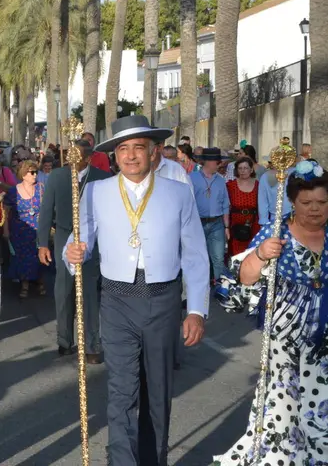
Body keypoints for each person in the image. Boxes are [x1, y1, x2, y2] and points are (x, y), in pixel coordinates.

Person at [64, 114, 210, 466]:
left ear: (154, 151)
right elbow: (79, 239)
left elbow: (195, 254)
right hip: (116, 301)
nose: (130, 156)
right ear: (114, 155)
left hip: (162, 300)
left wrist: (196, 310)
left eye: (138, 148)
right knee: (122, 391)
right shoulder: (96, 191)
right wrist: (73, 254)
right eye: (123, 149)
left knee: (157, 393)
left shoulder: (178, 193)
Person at [214, 159, 328, 463]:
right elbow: (242, 281)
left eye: (322, 202)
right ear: (292, 201)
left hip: (325, 346)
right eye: (306, 202)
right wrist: (261, 255)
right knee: (283, 417)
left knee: (322, 423)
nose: (315, 209)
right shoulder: (276, 234)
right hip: (285, 341)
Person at [37, 139, 109, 363]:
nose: (72, 159)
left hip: (92, 241)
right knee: (64, 291)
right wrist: (42, 244)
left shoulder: (103, 178)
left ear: (88, 158)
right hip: (63, 236)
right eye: (70, 155)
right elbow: (46, 210)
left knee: (89, 292)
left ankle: (92, 346)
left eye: (78, 156)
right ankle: (65, 340)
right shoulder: (57, 177)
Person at [5, 159, 45, 299]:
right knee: (22, 257)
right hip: (20, 229)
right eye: (31, 172)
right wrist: (6, 230)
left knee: (38, 255)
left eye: (36, 172)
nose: (35, 175)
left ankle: (40, 281)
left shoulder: (41, 188)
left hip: (38, 227)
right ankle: (25, 284)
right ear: (23, 174)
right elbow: (7, 210)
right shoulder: (13, 191)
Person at [191, 147, 230, 285]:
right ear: (207, 162)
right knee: (199, 258)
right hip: (197, 223)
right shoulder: (192, 178)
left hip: (217, 223)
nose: (219, 164)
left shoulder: (220, 180)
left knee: (218, 258)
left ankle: (220, 288)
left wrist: (226, 226)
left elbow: (225, 203)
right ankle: (200, 287)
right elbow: (188, 202)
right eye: (217, 162)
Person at [227, 156, 260, 257]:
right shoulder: (230, 185)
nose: (242, 171)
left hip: (253, 224)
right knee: (236, 255)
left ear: (251, 169)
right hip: (235, 225)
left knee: (252, 253)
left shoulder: (258, 185)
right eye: (240, 168)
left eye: (245, 168)